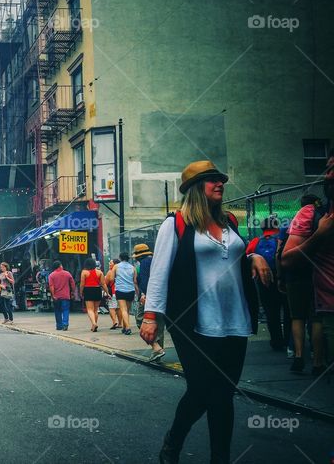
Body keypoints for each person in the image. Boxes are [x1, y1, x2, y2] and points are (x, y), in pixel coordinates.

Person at [141, 160, 271, 464]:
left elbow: (231, 255)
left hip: (234, 321)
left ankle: (219, 458)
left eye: (220, 180)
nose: (219, 184)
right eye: (212, 180)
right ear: (196, 189)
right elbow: (159, 273)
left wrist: (252, 256)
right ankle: (174, 440)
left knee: (223, 394)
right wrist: (151, 317)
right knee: (201, 389)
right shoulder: (176, 224)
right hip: (193, 322)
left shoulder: (230, 222)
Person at [282, 151, 333, 376]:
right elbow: (285, 257)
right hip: (311, 283)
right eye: (327, 169)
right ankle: (317, 361)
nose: (328, 175)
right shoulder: (316, 216)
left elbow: (280, 257)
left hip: (298, 280)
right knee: (314, 319)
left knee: (298, 317)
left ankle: (301, 357)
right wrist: (320, 234)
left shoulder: (299, 220)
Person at [246, 215, 289, 352]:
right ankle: (289, 341)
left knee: (271, 311)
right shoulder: (280, 240)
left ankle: (276, 341)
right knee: (288, 311)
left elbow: (247, 257)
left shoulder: (255, 241)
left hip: (263, 281)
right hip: (282, 278)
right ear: (276, 226)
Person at [133, 243, 166, 362]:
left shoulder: (145, 263)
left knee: (140, 319)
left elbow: (146, 280)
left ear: (138, 256)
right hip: (161, 296)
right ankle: (158, 354)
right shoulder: (154, 260)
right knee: (159, 324)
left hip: (149, 297)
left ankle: (156, 348)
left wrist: (144, 294)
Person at [112, 252, 138, 335]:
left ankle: (128, 327)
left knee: (123, 310)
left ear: (120, 258)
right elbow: (135, 281)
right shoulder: (132, 267)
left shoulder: (116, 266)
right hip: (130, 290)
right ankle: (124, 327)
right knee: (127, 310)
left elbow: (112, 278)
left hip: (120, 290)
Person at [80, 258, 107, 331]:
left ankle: (94, 323)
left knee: (89, 309)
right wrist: (107, 292)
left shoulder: (84, 272)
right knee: (95, 310)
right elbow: (103, 284)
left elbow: (82, 284)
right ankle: (94, 325)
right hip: (97, 290)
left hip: (88, 290)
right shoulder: (99, 272)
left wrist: (81, 292)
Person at [47, 261, 75, 331]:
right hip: (66, 296)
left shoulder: (51, 275)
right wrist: (72, 292)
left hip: (57, 296)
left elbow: (51, 286)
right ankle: (65, 324)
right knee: (66, 310)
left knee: (57, 311)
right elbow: (72, 284)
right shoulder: (67, 273)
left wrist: (53, 295)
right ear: (60, 266)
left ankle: (59, 325)